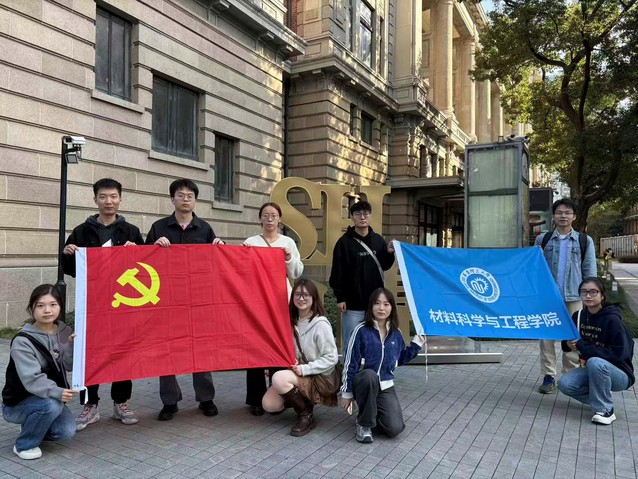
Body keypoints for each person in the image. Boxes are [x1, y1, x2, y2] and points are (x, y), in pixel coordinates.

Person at [62, 178, 144, 430]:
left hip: (124, 303)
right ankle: (90, 404)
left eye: (113, 196)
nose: (109, 201)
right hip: (92, 304)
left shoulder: (131, 231)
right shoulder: (81, 231)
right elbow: (70, 269)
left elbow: (145, 268)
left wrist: (137, 250)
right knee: (90, 352)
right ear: (95, 199)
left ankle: (121, 402)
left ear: (120, 199)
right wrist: (68, 253)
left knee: (123, 352)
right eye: (103, 197)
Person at [146, 178, 224, 421]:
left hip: (198, 300)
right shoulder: (159, 228)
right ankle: (170, 402)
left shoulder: (205, 229)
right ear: (172, 199)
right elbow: (143, 262)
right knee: (167, 349)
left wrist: (220, 247)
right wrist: (153, 247)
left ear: (195, 200)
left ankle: (206, 398)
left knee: (200, 349)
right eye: (181, 195)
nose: (185, 199)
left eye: (190, 196)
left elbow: (217, 264)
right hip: (166, 300)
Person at [339, 288, 425, 443]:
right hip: (364, 383)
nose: (381, 308)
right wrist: (347, 393)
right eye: (377, 303)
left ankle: (370, 413)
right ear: (371, 306)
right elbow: (350, 363)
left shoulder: (396, 333)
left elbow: (399, 359)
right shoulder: (361, 330)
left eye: (386, 304)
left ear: (392, 307)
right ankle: (364, 425)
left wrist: (416, 344)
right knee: (369, 375)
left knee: (394, 428)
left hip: (385, 386)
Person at [2, 285, 77, 460]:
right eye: (40, 306)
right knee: (51, 405)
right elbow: (32, 379)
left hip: (49, 398)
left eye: (53, 304)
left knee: (66, 431)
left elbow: (68, 365)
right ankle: (24, 444)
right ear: (32, 308)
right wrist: (57, 391)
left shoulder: (65, 331)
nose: (47, 310)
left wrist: (71, 345)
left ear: (60, 306)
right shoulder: (23, 341)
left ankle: (33, 425)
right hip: (18, 403)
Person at [243, 202, 304, 416]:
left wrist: (288, 258)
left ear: (280, 219)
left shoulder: (287, 242)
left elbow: (297, 272)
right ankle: (255, 399)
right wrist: (244, 254)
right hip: (256, 301)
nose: (270, 219)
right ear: (260, 218)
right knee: (256, 348)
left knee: (278, 345)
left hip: (280, 300)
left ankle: (277, 395)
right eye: (266, 215)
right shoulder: (251, 242)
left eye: (274, 215)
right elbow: (241, 270)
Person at [262, 279, 338, 437]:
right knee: (269, 404)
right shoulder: (290, 321)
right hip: (299, 372)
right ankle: (304, 399)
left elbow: (332, 358)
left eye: (306, 295)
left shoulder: (320, 324)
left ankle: (305, 415)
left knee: (279, 378)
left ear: (313, 298)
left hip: (319, 376)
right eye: (297, 294)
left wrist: (305, 369)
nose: (301, 298)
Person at [535, 198, 596, 394]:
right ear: (553, 216)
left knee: (572, 336)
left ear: (574, 217)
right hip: (548, 297)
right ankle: (548, 375)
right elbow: (535, 269)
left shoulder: (584, 241)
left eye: (567, 212)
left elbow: (590, 271)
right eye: (559, 212)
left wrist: (590, 297)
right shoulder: (542, 240)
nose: (563, 216)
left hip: (574, 296)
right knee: (546, 337)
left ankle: (570, 375)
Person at [557, 277, 634, 425]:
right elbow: (566, 345)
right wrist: (568, 344)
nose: (588, 296)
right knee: (565, 384)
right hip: (593, 369)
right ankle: (602, 397)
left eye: (593, 292)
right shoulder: (579, 316)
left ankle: (606, 411)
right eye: (584, 292)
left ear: (602, 295)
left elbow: (618, 354)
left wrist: (582, 346)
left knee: (595, 361)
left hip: (620, 373)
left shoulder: (612, 319)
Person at [329, 200, 395, 358]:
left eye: (365, 213)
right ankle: (349, 373)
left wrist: (388, 253)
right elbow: (338, 271)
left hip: (375, 305)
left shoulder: (378, 240)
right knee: (351, 343)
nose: (362, 217)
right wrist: (340, 297)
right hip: (353, 305)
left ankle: (373, 373)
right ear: (352, 217)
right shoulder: (344, 243)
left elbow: (384, 266)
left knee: (375, 343)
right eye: (358, 214)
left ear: (370, 216)